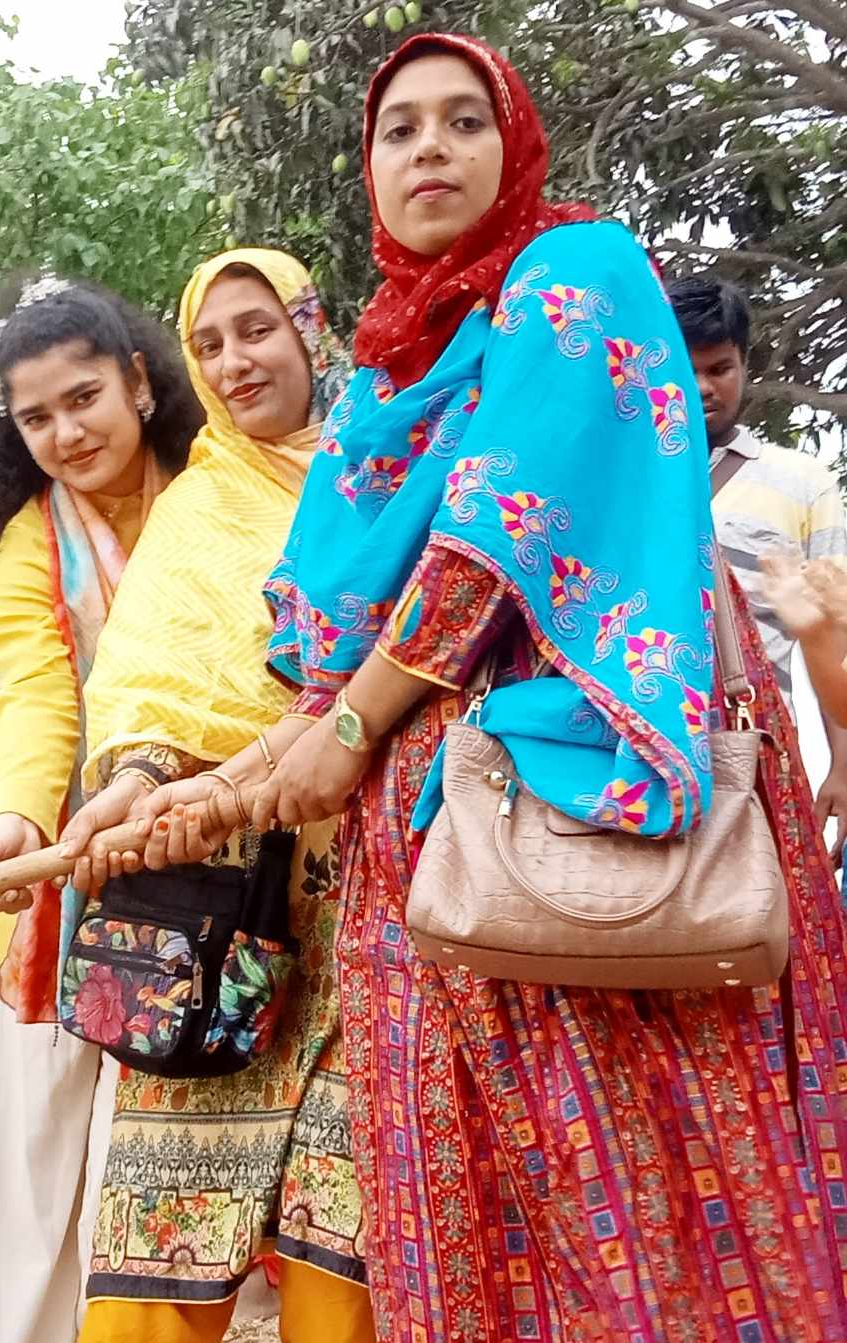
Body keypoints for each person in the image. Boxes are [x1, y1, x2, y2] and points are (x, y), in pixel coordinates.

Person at [108, 34, 847, 1341]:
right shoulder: (385, 386)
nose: (431, 146)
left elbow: (496, 536)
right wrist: (209, 793)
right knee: (460, 1203)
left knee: (653, 1192)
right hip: (429, 867)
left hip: (595, 816)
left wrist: (343, 728)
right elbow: (328, 678)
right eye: (400, 129)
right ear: (371, 172)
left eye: (464, 119)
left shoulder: (577, 272)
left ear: (515, 148)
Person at [52, 248, 371, 1340]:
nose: (233, 361)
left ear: (309, 330)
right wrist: (132, 783)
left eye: (255, 329)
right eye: (207, 343)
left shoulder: (390, 476)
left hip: (371, 908)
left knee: (349, 1237)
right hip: (214, 911)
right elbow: (150, 688)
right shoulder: (199, 506)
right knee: (160, 1241)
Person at [0, 274, 201, 1343]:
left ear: (138, 383)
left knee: (144, 1176)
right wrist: (14, 820)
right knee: (26, 1165)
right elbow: (36, 696)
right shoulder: (25, 545)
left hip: (206, 873)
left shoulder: (215, 494)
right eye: (35, 415)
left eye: (82, 397)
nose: (64, 430)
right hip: (55, 880)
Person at [667, 275, 847, 845]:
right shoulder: (619, 481)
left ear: (745, 365)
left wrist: (842, 766)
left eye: (719, 369)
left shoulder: (801, 482)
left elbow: (835, 636)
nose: (701, 388)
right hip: (637, 746)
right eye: (683, 368)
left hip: (761, 748)